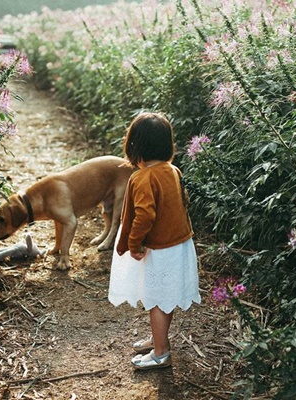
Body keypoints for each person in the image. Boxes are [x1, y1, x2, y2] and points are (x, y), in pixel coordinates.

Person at [108, 112, 201, 370]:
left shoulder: (142, 178)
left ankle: (161, 353)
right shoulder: (173, 170)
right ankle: (159, 339)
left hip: (160, 249)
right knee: (166, 297)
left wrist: (135, 244)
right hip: (179, 244)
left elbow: (145, 215)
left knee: (158, 299)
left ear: (134, 145)